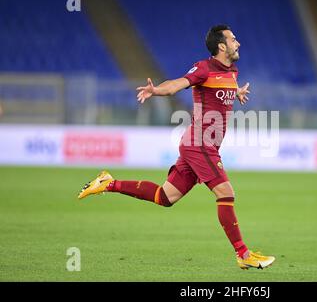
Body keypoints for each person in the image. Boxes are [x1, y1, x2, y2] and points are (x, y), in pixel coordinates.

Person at [78, 25, 275, 270]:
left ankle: (108, 183)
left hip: (203, 146)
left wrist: (236, 93)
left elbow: (221, 89)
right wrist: (156, 90)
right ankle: (244, 255)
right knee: (226, 193)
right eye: (233, 39)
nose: (238, 43)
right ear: (221, 46)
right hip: (199, 144)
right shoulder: (203, 68)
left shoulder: (232, 71)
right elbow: (177, 84)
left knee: (165, 196)